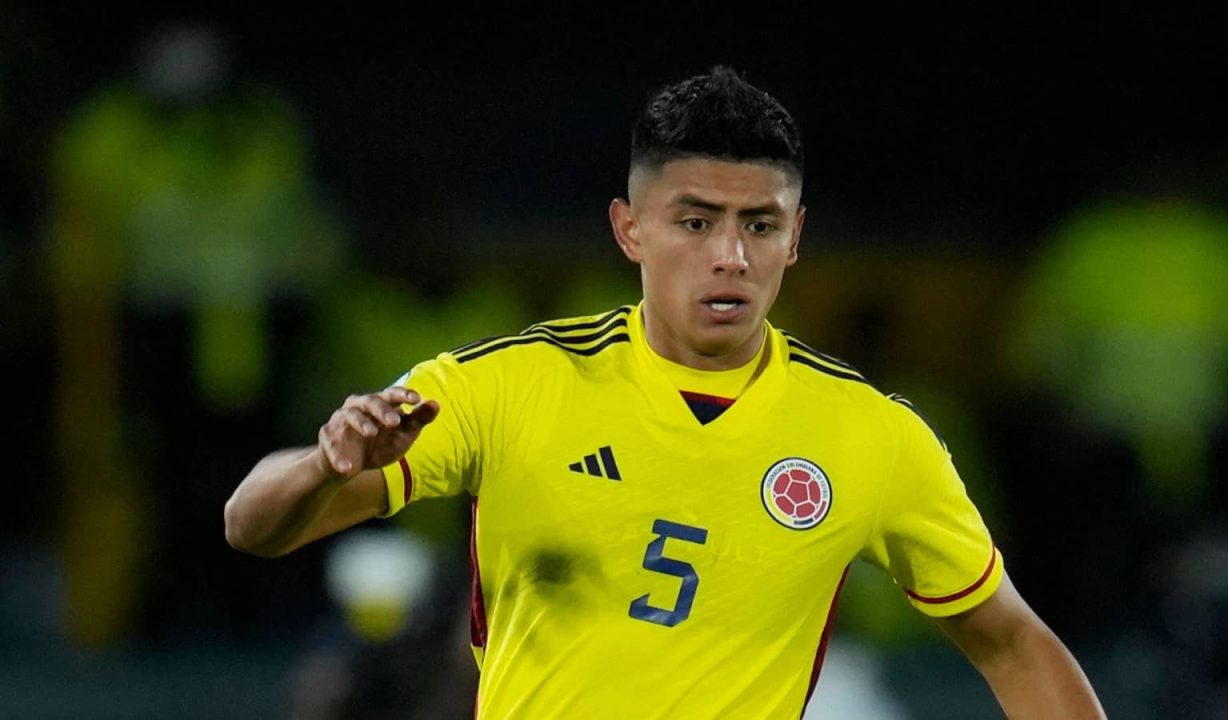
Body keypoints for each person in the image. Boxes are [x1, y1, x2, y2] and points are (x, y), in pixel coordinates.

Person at [225, 66, 1106, 718]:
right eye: (695, 221)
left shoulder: (872, 436)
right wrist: (324, 464)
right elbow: (251, 525)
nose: (731, 256)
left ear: (796, 238)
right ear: (630, 229)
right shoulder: (513, 384)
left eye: (760, 225)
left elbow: (1012, 641)